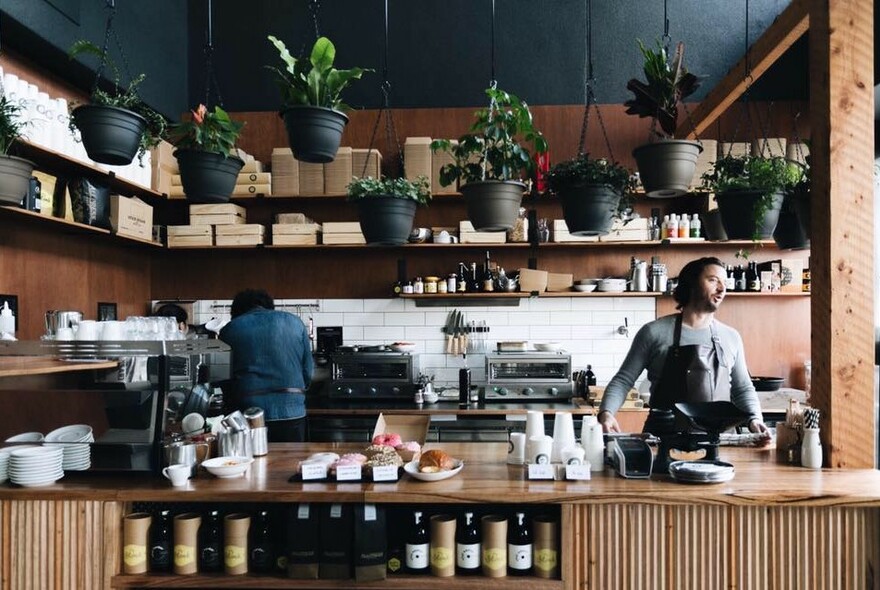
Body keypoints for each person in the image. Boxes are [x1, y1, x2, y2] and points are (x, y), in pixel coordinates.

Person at [598, 257, 770, 438]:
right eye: (713, 280)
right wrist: (607, 413)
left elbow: (742, 388)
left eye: (724, 282)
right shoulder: (654, 332)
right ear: (691, 284)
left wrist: (755, 418)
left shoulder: (731, 337)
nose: (722, 288)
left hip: (718, 442)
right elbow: (623, 381)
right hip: (662, 440)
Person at [219, 289, 314, 442]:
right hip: (292, 410)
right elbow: (308, 371)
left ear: (237, 310)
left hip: (247, 412)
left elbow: (223, 377)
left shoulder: (230, 329)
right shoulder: (295, 322)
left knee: (253, 462)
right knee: (291, 461)